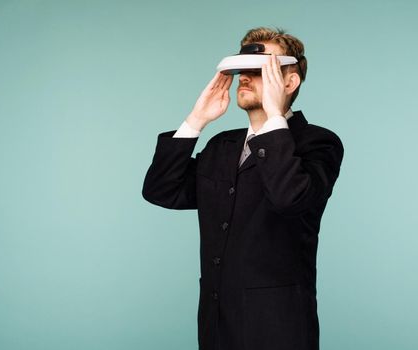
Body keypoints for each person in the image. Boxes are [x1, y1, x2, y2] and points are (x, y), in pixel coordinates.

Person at [142, 27, 344, 350]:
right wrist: (196, 120)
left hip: (279, 331)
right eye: (241, 69)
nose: (243, 78)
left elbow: (289, 197)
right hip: (216, 329)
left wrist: (275, 116)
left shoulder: (319, 144)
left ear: (289, 82)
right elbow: (160, 189)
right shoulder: (221, 146)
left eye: (258, 70)